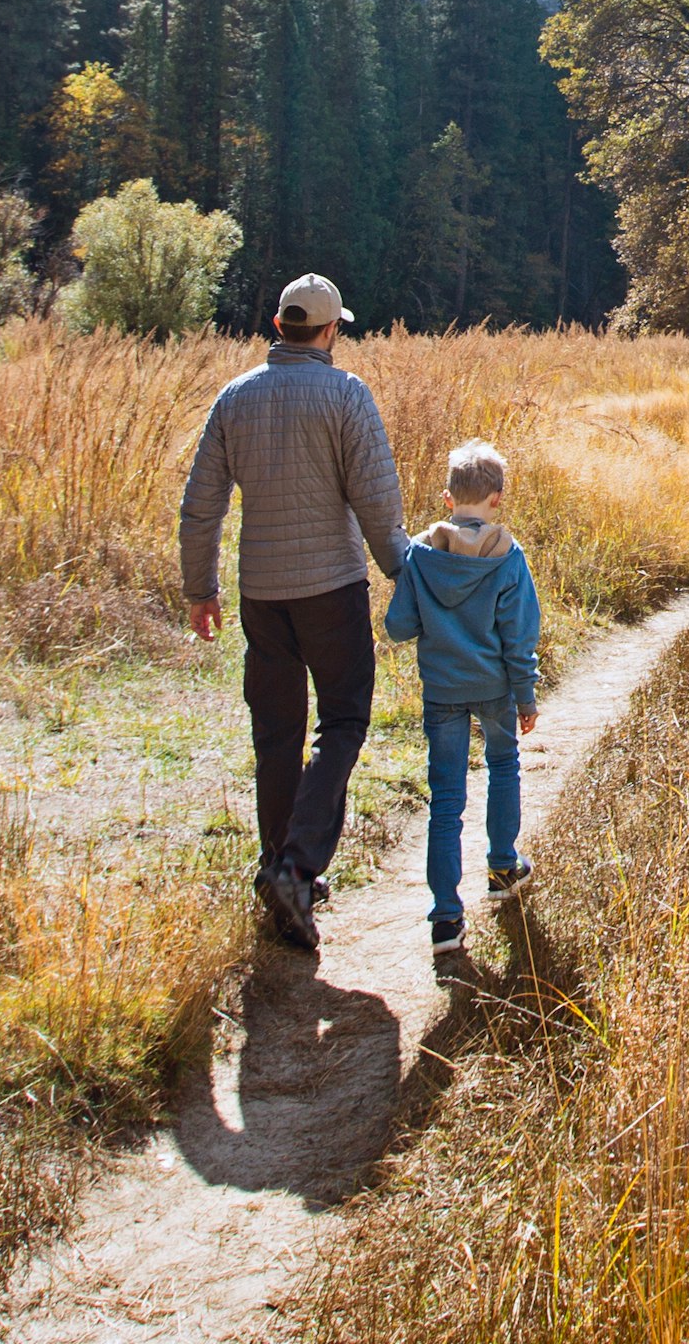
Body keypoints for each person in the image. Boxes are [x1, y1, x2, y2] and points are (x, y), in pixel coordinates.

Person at [178, 272, 409, 953]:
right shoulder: (346, 395)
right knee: (343, 721)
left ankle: (274, 869)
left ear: (280, 327)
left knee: (276, 732)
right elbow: (377, 503)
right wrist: (408, 577)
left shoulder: (235, 398)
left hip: (261, 595)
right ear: (331, 330)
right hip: (332, 590)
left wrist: (201, 589)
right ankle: (297, 866)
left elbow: (201, 505)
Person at [388, 438, 544, 958]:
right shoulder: (508, 556)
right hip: (496, 689)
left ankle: (445, 918)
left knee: (446, 799)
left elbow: (399, 626)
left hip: (442, 693)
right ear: (496, 499)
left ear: (447, 497)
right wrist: (526, 697)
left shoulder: (420, 554)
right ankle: (502, 866)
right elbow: (519, 636)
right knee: (503, 766)